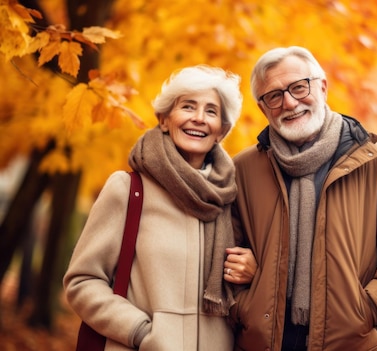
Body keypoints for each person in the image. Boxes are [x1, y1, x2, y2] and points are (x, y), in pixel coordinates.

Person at [228, 46, 377, 351]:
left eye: (299, 87)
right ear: (262, 108)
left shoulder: (375, 162)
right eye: (274, 95)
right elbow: (222, 252)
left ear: (322, 87)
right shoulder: (242, 170)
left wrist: (365, 309)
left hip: (349, 341)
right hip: (264, 340)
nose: (289, 102)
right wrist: (247, 304)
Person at [63, 65, 257, 350]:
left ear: (221, 132)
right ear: (165, 120)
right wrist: (141, 333)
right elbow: (83, 282)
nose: (199, 119)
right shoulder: (128, 189)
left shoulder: (231, 198)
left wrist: (253, 272)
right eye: (188, 107)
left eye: (211, 111)